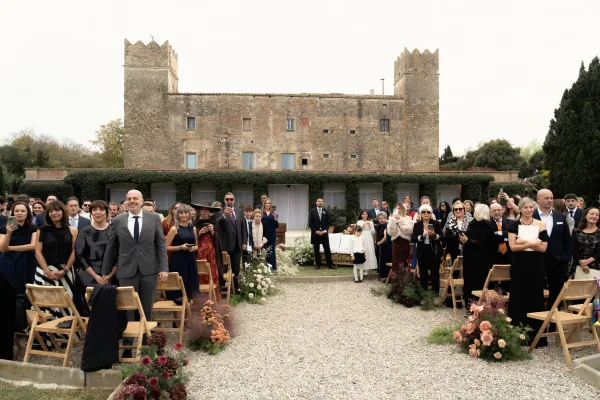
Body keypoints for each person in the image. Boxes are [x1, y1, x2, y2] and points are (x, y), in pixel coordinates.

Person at [101, 190, 169, 341]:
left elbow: (160, 244)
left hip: (149, 270)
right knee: (128, 308)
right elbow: (111, 247)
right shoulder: (118, 221)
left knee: (147, 307)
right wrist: (105, 271)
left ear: (142, 201)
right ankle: (128, 343)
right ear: (125, 202)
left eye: (135, 198)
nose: (132, 201)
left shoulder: (154, 219)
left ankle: (146, 340)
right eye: (129, 198)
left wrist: (164, 268)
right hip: (126, 270)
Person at [508, 197, 548, 345]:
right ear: (520, 208)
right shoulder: (514, 224)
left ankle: (535, 336)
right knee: (518, 297)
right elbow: (513, 247)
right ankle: (517, 334)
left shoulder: (540, 224)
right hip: (519, 265)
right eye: (525, 207)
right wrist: (531, 243)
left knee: (535, 297)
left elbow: (543, 248)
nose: (529, 210)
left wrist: (523, 242)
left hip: (536, 266)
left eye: (531, 207)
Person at [34, 200, 81, 319]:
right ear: (47, 214)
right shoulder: (41, 230)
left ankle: (64, 335)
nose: (54, 213)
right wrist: (47, 272)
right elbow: (38, 252)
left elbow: (74, 252)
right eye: (51, 211)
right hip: (44, 271)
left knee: (65, 303)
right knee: (45, 303)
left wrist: (65, 270)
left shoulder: (73, 230)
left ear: (63, 212)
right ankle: (46, 335)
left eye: (57, 210)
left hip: (65, 271)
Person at [534, 189, 572, 310]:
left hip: (558, 261)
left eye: (551, 197)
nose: (550, 200)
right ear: (538, 199)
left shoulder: (560, 217)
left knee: (556, 293)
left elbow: (567, 239)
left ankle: (553, 323)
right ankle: (537, 324)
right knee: (536, 290)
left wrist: (566, 257)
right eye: (546, 198)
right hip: (537, 259)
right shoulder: (530, 216)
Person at [0, 201, 38, 316]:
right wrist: (8, 233)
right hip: (8, 263)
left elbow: (32, 245)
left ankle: (24, 323)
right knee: (8, 292)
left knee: (25, 293)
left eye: (22, 211)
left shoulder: (33, 227)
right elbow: (2, 249)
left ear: (28, 213)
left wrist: (10, 248)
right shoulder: (3, 228)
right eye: (16, 211)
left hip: (27, 262)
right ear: (12, 213)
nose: (19, 213)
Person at [75, 200, 117, 288]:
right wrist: (95, 276)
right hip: (88, 275)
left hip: (111, 275)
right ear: (91, 213)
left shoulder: (114, 231)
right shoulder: (84, 231)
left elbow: (119, 254)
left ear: (107, 212)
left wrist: (109, 275)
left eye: (101, 210)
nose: (98, 212)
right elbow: (79, 255)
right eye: (94, 210)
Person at [461, 204, 495, 307]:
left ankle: (472, 305)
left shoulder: (480, 225)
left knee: (473, 281)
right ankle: (476, 305)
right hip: (479, 258)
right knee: (477, 281)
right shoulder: (488, 225)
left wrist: (468, 241)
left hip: (476, 258)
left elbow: (483, 242)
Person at [166, 204, 199, 299]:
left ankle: (187, 311)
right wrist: (180, 247)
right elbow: (165, 247)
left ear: (189, 214)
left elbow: (197, 246)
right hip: (178, 261)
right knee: (178, 290)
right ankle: (178, 311)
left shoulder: (193, 228)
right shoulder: (174, 229)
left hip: (190, 260)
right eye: (181, 213)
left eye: (185, 213)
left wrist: (192, 248)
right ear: (177, 214)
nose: (183, 215)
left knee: (190, 287)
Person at [193, 201, 222, 300]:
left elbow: (218, 239)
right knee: (200, 274)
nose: (204, 211)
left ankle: (213, 298)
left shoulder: (214, 223)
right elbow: (190, 239)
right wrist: (199, 232)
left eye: (207, 210)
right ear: (199, 211)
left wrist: (213, 231)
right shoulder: (194, 223)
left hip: (211, 253)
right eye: (202, 209)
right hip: (199, 253)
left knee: (212, 273)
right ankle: (201, 299)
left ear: (210, 211)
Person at [411, 204, 443, 293]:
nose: (426, 213)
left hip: (434, 251)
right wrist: (422, 236)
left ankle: (435, 293)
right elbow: (413, 239)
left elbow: (442, 237)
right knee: (423, 273)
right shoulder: (417, 225)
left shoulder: (436, 223)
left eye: (428, 212)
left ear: (431, 214)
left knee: (435, 273)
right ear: (420, 214)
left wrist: (434, 235)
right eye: (423, 212)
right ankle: (423, 293)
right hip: (422, 251)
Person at [218, 193, 244, 289]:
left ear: (234, 200)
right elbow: (218, 225)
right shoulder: (220, 212)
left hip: (237, 245)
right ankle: (223, 289)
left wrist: (244, 242)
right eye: (227, 199)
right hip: (226, 245)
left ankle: (236, 288)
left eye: (231, 199)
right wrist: (224, 215)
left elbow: (243, 228)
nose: (229, 201)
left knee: (236, 268)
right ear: (224, 200)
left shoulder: (239, 212)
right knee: (224, 268)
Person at [308, 198, 336, 270]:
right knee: (316, 249)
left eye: (321, 201)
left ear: (323, 203)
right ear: (316, 203)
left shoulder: (326, 211)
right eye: (319, 201)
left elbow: (328, 222)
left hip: (324, 233)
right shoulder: (312, 211)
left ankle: (330, 264)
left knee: (327, 248)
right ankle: (317, 264)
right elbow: (310, 223)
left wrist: (325, 230)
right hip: (315, 234)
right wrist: (315, 231)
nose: (320, 202)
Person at [571, 207, 600, 276]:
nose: (594, 216)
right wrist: (582, 264)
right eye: (592, 214)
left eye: (597, 215)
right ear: (585, 215)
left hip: (597, 265)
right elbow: (574, 249)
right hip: (579, 266)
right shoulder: (576, 231)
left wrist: (588, 261)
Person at [444, 201, 473, 265]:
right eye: (456, 209)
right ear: (453, 211)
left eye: (460, 209)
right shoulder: (450, 221)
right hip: (454, 250)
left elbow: (474, 235)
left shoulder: (471, 221)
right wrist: (458, 237)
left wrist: (466, 239)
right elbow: (446, 236)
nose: (458, 211)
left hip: (469, 249)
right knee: (455, 271)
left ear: (464, 210)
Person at [386, 202, 414, 270]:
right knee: (395, 262)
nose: (398, 210)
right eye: (396, 208)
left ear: (403, 209)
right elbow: (391, 233)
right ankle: (396, 280)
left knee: (404, 261)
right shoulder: (392, 219)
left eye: (400, 208)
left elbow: (409, 231)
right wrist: (392, 220)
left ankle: (404, 279)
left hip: (405, 242)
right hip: (395, 242)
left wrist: (400, 220)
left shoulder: (408, 218)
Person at [262, 198, 279, 270]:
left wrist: (275, 219)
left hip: (272, 234)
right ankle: (264, 267)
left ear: (271, 204)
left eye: (269, 203)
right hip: (263, 234)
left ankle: (272, 267)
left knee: (271, 250)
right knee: (264, 250)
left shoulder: (273, 213)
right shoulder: (262, 213)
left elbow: (276, 226)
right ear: (264, 204)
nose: (267, 204)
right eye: (266, 203)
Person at [375, 212, 392, 281]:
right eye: (379, 219)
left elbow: (385, 238)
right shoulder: (380, 225)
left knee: (386, 260)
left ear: (385, 218)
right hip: (382, 246)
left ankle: (387, 276)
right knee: (382, 260)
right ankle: (383, 275)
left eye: (381, 218)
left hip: (386, 246)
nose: (380, 220)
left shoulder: (386, 225)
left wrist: (379, 243)